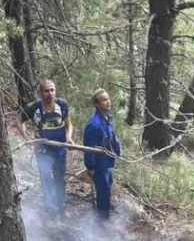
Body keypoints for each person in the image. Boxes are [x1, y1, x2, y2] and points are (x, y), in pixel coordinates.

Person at [23, 80, 73, 216]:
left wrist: (68, 138)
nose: (50, 93)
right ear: (40, 93)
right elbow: (18, 120)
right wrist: (27, 138)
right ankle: (50, 208)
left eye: (52, 90)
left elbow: (69, 124)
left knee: (60, 177)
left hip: (60, 148)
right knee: (46, 177)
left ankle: (60, 205)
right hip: (42, 149)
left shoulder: (62, 104)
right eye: (46, 90)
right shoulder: (34, 107)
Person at [83, 89, 121, 220]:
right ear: (97, 104)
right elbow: (89, 148)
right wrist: (90, 167)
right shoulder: (94, 125)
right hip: (99, 165)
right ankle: (102, 222)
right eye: (104, 100)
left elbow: (112, 136)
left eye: (108, 99)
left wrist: (117, 150)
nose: (108, 102)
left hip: (108, 161)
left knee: (107, 190)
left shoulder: (107, 116)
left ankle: (104, 215)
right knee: (103, 193)